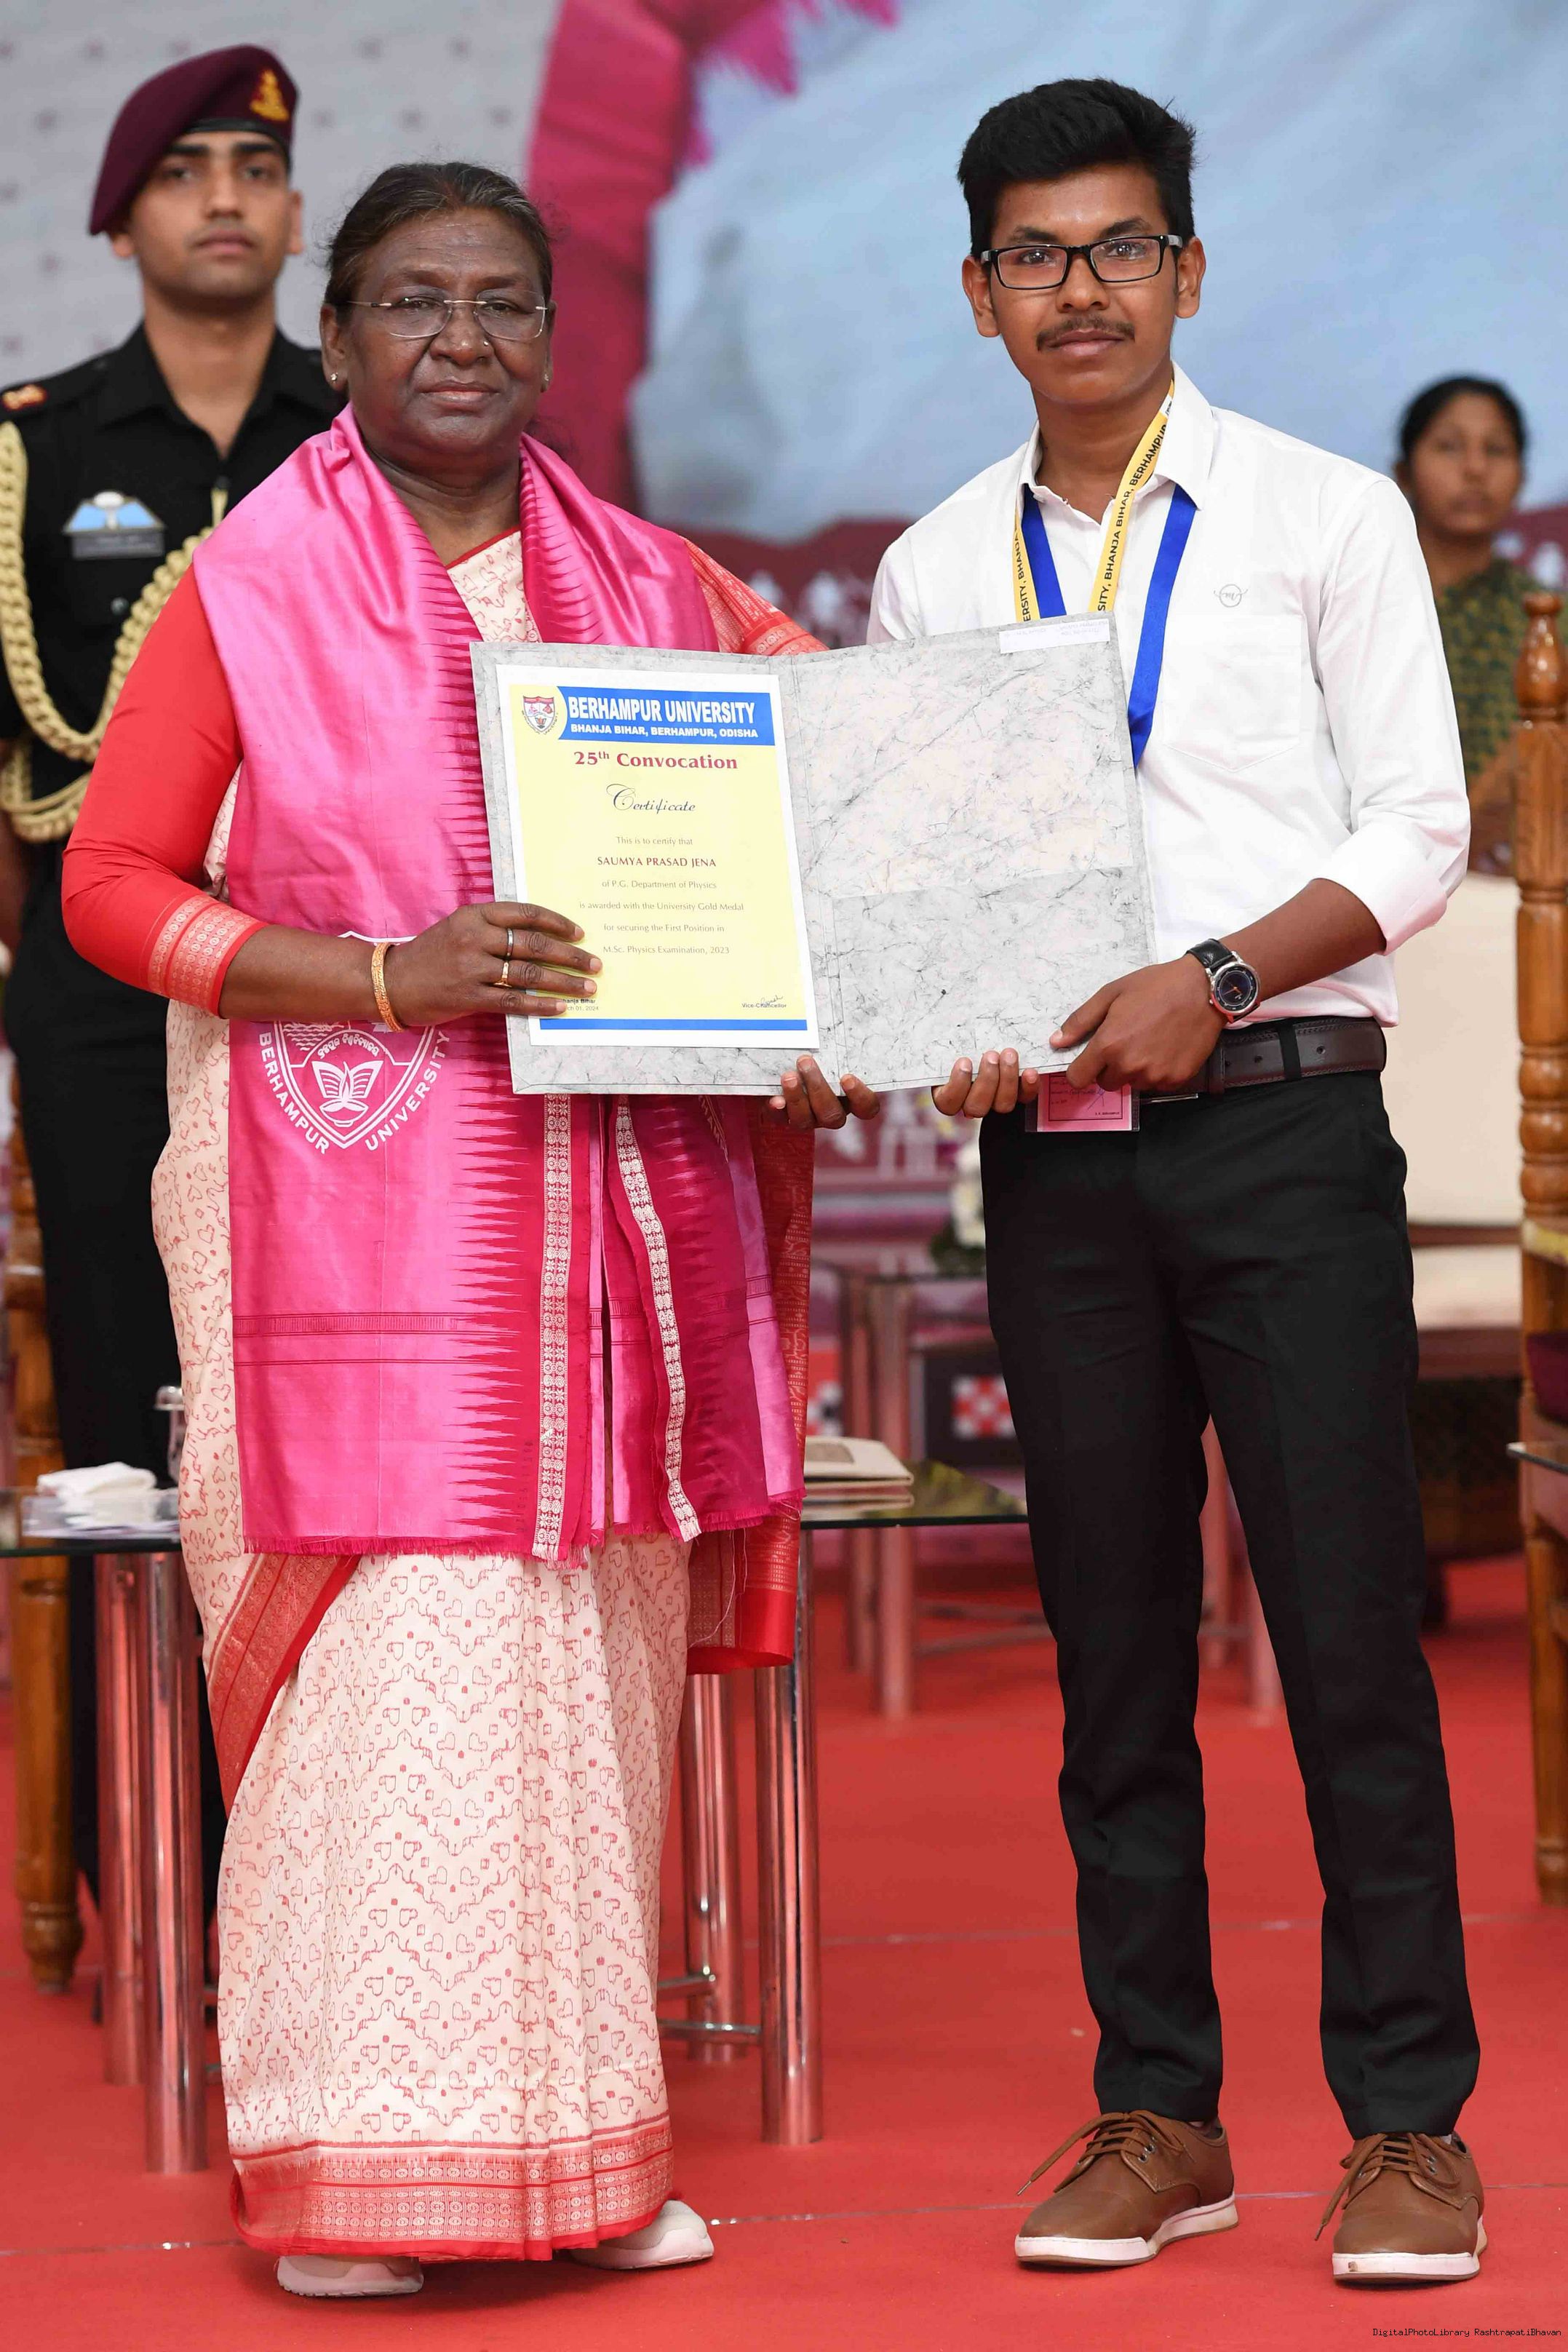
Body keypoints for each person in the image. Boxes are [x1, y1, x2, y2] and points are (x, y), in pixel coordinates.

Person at [63, 159, 876, 2302]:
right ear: (336, 338)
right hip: (344, 1224)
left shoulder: (661, 588)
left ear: (551, 338)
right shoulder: (243, 583)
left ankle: (586, 2158)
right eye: (413, 300)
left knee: (578, 1660)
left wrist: (824, 1001)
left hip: (615, 1220)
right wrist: (385, 976)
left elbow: (839, 790)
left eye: (502, 301)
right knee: (406, 1666)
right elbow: (112, 886)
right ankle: (350, 2176)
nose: (461, 338)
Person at [869, 79, 1483, 2288]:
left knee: (1345, 1635)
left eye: (1119, 246)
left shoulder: (1321, 514)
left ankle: (1404, 2123)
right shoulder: (931, 567)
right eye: (1035, 255)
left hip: (1286, 1132)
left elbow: (1415, 830)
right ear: (976, 295)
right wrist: (942, 1011)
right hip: (1056, 1166)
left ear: (1187, 271)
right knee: (1108, 1648)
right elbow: (921, 869)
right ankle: (1157, 2108)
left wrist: (1211, 978)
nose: (1081, 288)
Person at [0, 46, 339, 1920]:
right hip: (103, 999)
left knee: (325, 1397)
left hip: (340, 986)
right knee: (138, 1411)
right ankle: (156, 1852)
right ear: (120, 215)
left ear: (296, 213)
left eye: (256, 168)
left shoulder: (365, 436)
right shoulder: (33, 450)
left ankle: (321, 1843)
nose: (225, 197)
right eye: (185, 168)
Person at [1396, 376, 1553, 873]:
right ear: (1403, 472)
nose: (1474, 469)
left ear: (1521, 477)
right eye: (1448, 447)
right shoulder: (1360, 596)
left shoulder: (1547, 621)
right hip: (1358, 884)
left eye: (1496, 450)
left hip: (1508, 885)